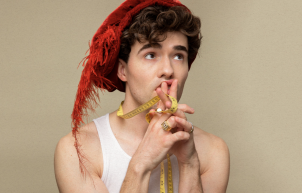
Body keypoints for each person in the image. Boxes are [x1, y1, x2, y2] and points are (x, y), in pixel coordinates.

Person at [54, 0, 230, 192]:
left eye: (178, 56)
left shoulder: (213, 151)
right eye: (151, 54)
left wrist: (189, 165)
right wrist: (141, 163)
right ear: (123, 71)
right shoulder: (77, 151)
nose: (168, 70)